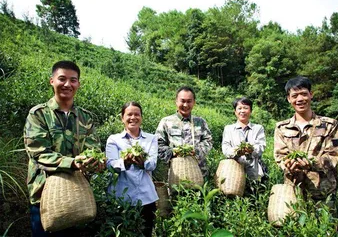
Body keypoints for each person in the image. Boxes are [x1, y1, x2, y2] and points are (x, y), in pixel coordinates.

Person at [24, 60, 104, 236]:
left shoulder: (85, 117)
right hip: (45, 195)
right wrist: (73, 163)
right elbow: (38, 152)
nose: (67, 84)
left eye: (73, 80)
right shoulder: (38, 114)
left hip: (77, 196)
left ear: (78, 84)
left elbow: (93, 149)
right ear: (52, 81)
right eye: (62, 79)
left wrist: (96, 162)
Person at [274, 76, 338, 209]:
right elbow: (280, 156)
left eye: (304, 94)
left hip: (323, 190)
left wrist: (311, 162)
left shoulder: (331, 125)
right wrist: (289, 164)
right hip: (293, 190)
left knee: (325, 228)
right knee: (295, 227)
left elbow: (336, 155)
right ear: (289, 99)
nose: (300, 99)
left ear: (311, 95)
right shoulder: (281, 128)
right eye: (295, 96)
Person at [106, 101, 158, 237]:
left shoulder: (152, 139)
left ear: (141, 117)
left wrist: (142, 163)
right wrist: (125, 163)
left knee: (145, 232)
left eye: (137, 114)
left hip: (146, 197)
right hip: (121, 197)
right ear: (122, 118)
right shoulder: (114, 139)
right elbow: (110, 165)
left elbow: (152, 163)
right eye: (129, 114)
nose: (133, 117)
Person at [155, 86, 213, 178]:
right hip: (176, 173)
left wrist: (196, 151)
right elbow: (158, 144)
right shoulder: (166, 122)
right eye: (182, 101)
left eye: (189, 101)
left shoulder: (201, 122)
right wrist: (173, 152)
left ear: (194, 102)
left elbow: (208, 141)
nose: (185, 105)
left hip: (200, 172)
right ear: (176, 101)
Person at [222, 97, 267, 181]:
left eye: (245, 108)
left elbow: (261, 147)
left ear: (250, 111)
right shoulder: (228, 129)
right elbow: (225, 149)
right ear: (235, 112)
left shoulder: (258, 128)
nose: (242, 111)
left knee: (255, 192)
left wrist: (251, 149)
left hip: (254, 171)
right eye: (239, 108)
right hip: (234, 172)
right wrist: (237, 151)